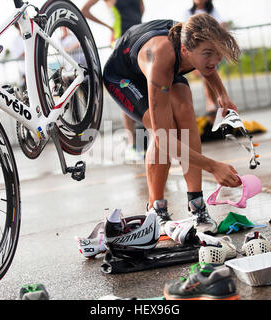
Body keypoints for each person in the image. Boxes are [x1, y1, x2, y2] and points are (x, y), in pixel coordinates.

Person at [103, 14, 242, 234]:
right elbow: (163, 138)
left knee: (186, 113)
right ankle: (156, 207)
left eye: (218, 54)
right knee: (166, 130)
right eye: (208, 54)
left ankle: (197, 205)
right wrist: (213, 166)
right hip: (124, 76)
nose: (214, 60)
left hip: (163, 67)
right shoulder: (161, 57)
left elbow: (207, 65)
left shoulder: (194, 44)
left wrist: (221, 94)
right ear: (186, 51)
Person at [82, 0, 146, 160]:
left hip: (139, 40)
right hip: (120, 40)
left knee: (143, 91)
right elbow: (84, 10)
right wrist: (109, 26)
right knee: (127, 92)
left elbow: (141, 10)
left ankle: (144, 140)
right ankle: (132, 144)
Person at [184, 0, 228, 125]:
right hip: (196, 49)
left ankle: (214, 102)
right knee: (205, 75)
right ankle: (211, 101)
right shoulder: (188, 12)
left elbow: (222, 24)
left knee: (209, 72)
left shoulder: (212, 11)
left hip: (210, 48)